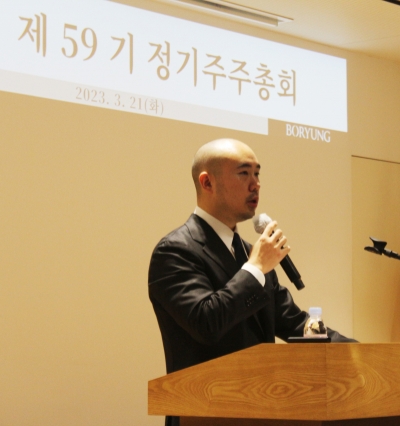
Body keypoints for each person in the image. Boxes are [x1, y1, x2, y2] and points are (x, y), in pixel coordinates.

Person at [148, 139, 354, 426]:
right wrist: (256, 268)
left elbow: (294, 322)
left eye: (258, 174)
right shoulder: (176, 250)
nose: (256, 184)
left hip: (262, 412)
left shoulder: (249, 252)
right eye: (244, 173)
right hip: (204, 415)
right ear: (207, 183)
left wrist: (357, 352)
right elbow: (206, 323)